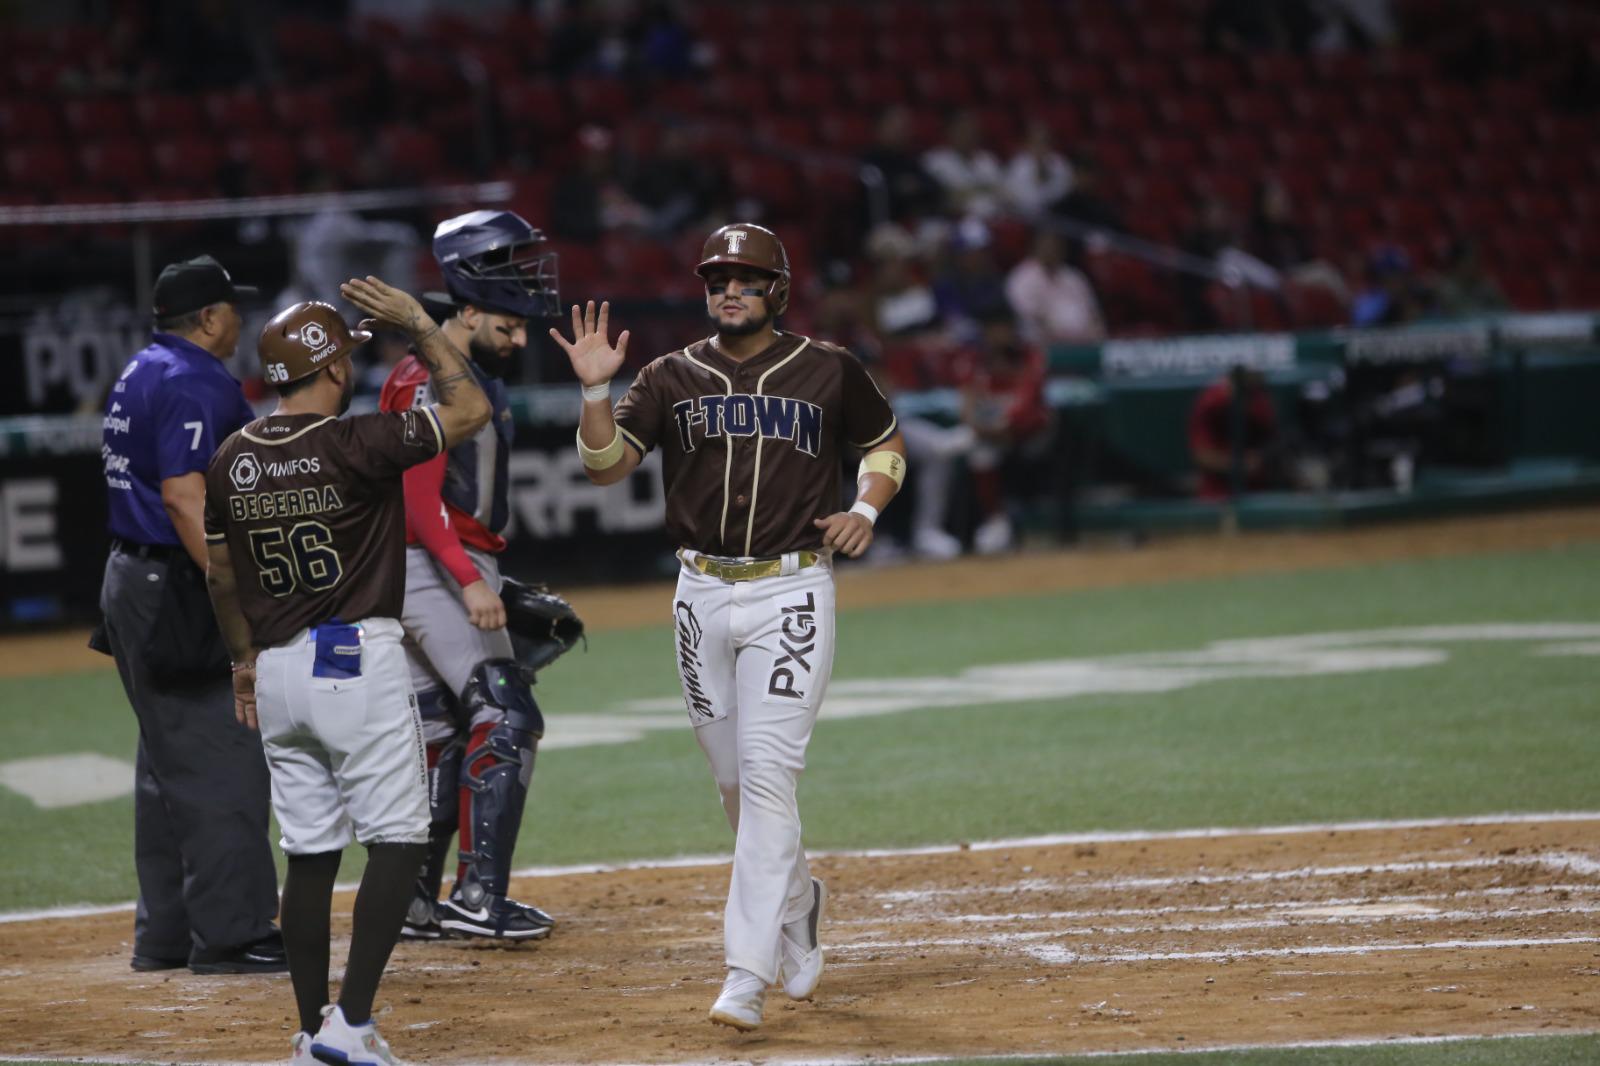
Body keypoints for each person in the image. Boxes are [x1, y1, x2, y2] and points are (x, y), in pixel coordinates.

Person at [551, 223, 907, 1031]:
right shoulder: (672, 374)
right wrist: (595, 391)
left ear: (778, 289)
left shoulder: (827, 368)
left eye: (746, 279)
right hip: (699, 595)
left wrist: (862, 508)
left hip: (792, 593)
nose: (729, 291)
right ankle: (797, 903)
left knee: (771, 772)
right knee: (734, 784)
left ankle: (745, 976)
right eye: (717, 280)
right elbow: (605, 468)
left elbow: (885, 444)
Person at [203, 286, 492, 1065]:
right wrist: (425, 328)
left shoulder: (230, 458)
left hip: (277, 672)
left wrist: (242, 665)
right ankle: (352, 1023)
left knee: (309, 853)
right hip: (353, 662)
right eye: (348, 357)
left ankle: (308, 1029)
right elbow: (469, 412)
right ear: (329, 366)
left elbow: (222, 580)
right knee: (398, 840)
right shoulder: (358, 441)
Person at [96, 254, 285, 975]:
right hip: (175, 587)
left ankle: (168, 934)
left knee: (166, 765)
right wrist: (232, 587)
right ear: (208, 318)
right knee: (221, 762)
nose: (241, 316)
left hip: (135, 580)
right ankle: (231, 935)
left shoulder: (143, 367)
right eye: (232, 306)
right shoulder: (193, 379)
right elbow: (183, 497)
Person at [380, 209, 562, 943]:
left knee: (445, 731)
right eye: (508, 326)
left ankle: (415, 900)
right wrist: (470, 579)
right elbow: (417, 496)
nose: (519, 339)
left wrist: (485, 574)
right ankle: (479, 898)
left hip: (434, 565)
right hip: (432, 564)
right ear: (470, 306)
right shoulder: (431, 376)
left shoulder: (454, 369)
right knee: (504, 712)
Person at [1188, 364, 1280, 500]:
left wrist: (1261, 458)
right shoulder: (1212, 404)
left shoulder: (1260, 402)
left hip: (1263, 493)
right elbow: (1202, 456)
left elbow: (1273, 441)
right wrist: (1239, 464)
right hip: (1217, 494)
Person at [1004, 230, 1106, 345]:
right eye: (1047, 246)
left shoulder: (1073, 276)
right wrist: (1061, 335)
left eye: (1056, 246)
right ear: (1035, 247)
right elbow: (1029, 317)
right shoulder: (1021, 278)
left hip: (1084, 344)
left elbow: (1093, 313)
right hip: (1042, 345)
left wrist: (1097, 337)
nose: (1051, 251)